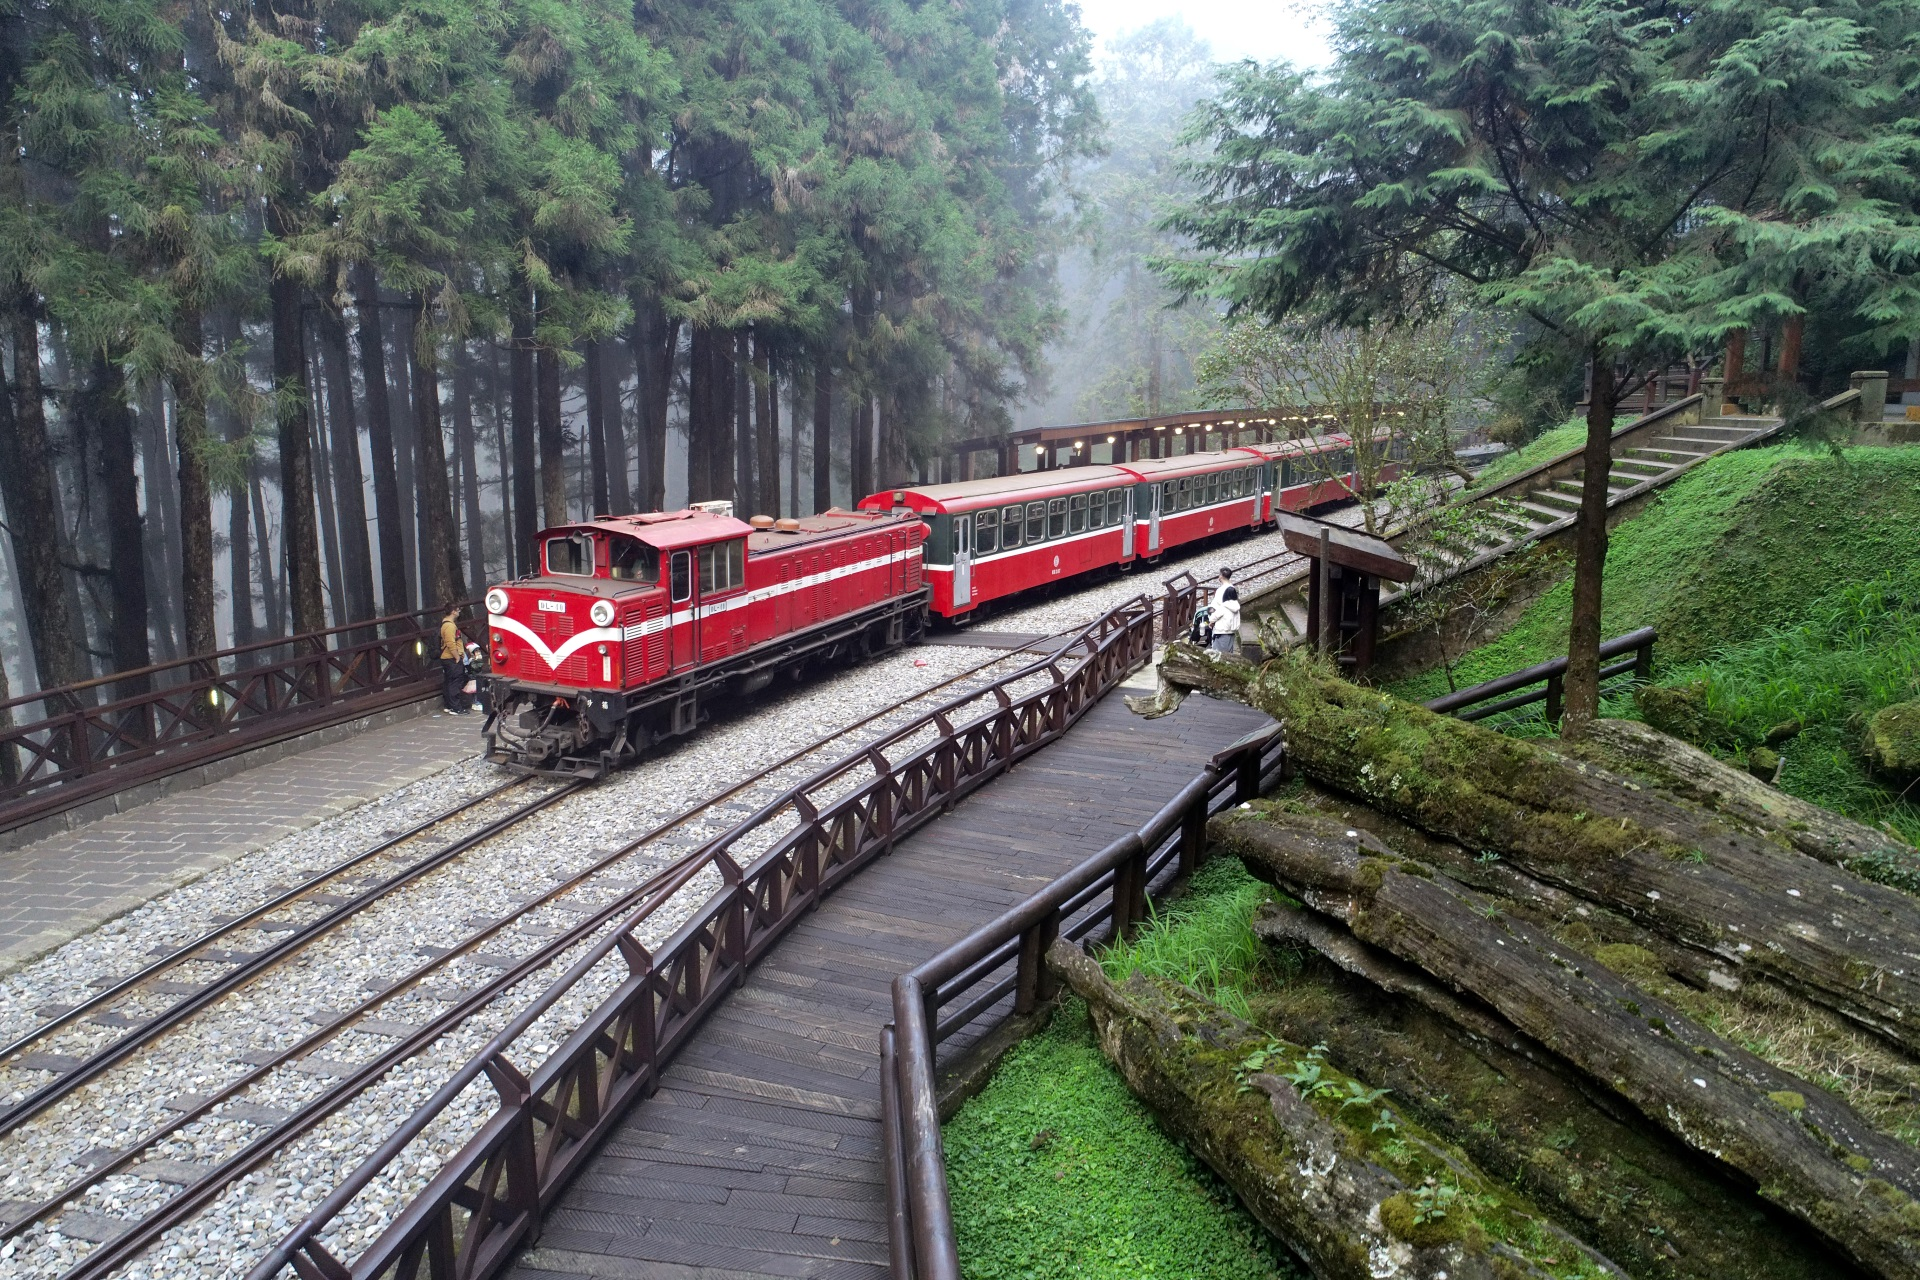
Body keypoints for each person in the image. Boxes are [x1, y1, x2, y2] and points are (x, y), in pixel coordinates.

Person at [439, 605, 467, 714]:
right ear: (453, 612)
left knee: (449, 681)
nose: (459, 611)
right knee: (455, 682)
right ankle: (456, 707)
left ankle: (449, 705)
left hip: (447, 658)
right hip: (451, 658)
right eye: (458, 609)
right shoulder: (450, 626)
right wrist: (457, 657)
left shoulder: (445, 624)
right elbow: (451, 643)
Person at [1210, 568, 1241, 656]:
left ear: (1221, 576)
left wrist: (1211, 621)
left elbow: (1216, 612)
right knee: (1229, 653)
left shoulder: (1221, 593)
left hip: (1221, 629)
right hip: (1231, 630)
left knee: (1219, 654)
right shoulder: (1235, 604)